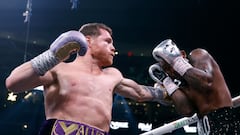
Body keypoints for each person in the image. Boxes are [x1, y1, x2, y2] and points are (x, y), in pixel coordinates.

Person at [5, 23, 170, 135]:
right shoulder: (59, 69)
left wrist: (164, 92)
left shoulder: (112, 75)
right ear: (88, 41)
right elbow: (13, 83)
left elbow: (139, 92)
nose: (113, 48)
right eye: (107, 41)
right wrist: (52, 56)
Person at [149, 39, 240, 134]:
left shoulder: (198, 55)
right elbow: (187, 111)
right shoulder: (179, 83)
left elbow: (206, 83)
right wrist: (166, 81)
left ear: (182, 54)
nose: (170, 71)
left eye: (170, 65)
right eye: (166, 69)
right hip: (204, 129)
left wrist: (176, 61)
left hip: (224, 122)